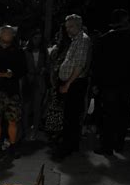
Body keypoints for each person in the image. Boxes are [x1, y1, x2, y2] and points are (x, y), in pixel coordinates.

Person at [92, 9, 130, 155]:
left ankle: (107, 146)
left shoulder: (105, 39)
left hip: (110, 83)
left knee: (109, 115)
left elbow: (98, 63)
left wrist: (96, 83)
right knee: (123, 115)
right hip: (127, 83)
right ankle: (118, 144)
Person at [0, 25, 26, 159]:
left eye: (10, 33)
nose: (8, 35)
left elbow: (23, 69)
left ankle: (12, 145)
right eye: (5, 32)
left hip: (11, 90)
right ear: (0, 34)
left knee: (13, 119)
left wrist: (12, 73)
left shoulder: (18, 51)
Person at [55, 14, 91, 158]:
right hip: (72, 82)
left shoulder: (82, 40)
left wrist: (68, 84)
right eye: (67, 27)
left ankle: (68, 146)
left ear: (78, 26)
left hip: (75, 83)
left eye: (70, 27)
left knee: (71, 116)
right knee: (71, 115)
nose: (68, 30)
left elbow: (79, 65)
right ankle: (71, 143)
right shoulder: (75, 40)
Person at [44, 23, 71, 145]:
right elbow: (51, 66)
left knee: (62, 108)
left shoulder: (70, 48)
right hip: (56, 82)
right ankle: (55, 132)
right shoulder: (57, 49)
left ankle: (60, 133)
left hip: (64, 82)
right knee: (55, 107)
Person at [22, 29, 49, 141]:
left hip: (39, 80)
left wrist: (44, 69)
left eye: (39, 39)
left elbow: (48, 65)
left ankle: (35, 130)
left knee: (37, 107)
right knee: (26, 107)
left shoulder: (44, 51)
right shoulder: (25, 51)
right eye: (35, 38)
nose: (37, 41)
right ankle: (24, 130)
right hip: (28, 80)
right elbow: (22, 66)